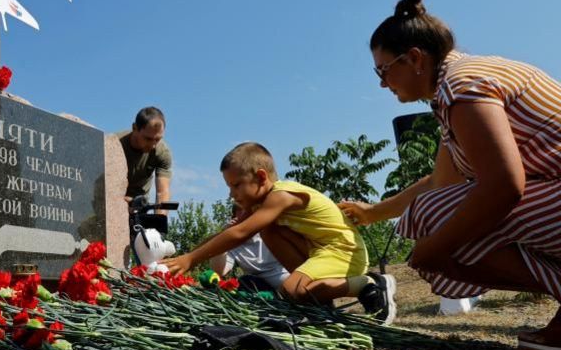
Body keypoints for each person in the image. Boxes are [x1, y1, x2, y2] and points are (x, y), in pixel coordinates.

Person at [338, 0, 561, 350]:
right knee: (436, 214)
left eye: (383, 70)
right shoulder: (463, 82)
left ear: (414, 59)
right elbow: (441, 183)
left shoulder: (462, 87)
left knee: (434, 223)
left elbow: (504, 186)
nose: (381, 83)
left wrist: (434, 248)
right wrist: (374, 212)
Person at [161, 142, 397, 324]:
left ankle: (367, 284)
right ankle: (318, 304)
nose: (232, 194)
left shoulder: (281, 195)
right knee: (269, 231)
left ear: (261, 177)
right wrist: (187, 256)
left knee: (291, 290)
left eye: (236, 185)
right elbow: (231, 230)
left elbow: (241, 233)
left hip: (343, 252)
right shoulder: (260, 204)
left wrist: (191, 259)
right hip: (320, 251)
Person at [210, 205, 290, 293]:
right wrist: (223, 239)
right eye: (239, 210)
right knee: (245, 281)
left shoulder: (271, 230)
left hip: (285, 280)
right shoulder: (233, 242)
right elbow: (219, 271)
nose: (244, 214)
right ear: (234, 216)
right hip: (255, 285)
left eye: (248, 210)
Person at [119, 107, 173, 214]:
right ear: (135, 128)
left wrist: (159, 223)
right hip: (112, 202)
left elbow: (162, 193)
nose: (153, 145)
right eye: (148, 139)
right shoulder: (113, 145)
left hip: (139, 207)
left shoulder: (162, 152)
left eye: (158, 139)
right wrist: (120, 201)